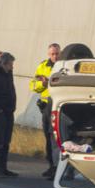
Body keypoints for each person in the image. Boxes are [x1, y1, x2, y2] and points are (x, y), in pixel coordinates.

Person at [30, 43, 60, 179]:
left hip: (58, 106)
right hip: (46, 108)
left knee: (56, 138)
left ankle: (57, 166)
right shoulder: (43, 66)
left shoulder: (64, 66)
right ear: (49, 54)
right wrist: (41, 84)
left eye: (57, 53)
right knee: (48, 137)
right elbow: (33, 85)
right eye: (52, 54)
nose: (55, 56)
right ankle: (51, 165)